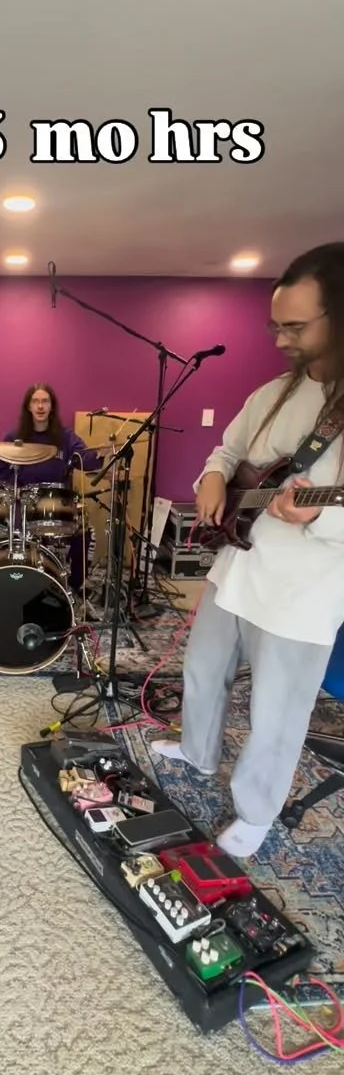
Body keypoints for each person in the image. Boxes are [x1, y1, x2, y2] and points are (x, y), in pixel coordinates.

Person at [151, 242, 344, 858]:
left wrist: (320, 515)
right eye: (275, 325)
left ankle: (257, 811)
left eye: (296, 326)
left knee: (276, 710)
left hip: (301, 595)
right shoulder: (273, 393)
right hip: (237, 568)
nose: (281, 339)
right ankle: (198, 751)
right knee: (202, 669)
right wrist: (213, 477)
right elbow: (227, 453)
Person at [0, 383, 103, 594]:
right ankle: (25, 581)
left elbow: (85, 459)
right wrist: (15, 492)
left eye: (45, 401)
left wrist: (102, 456)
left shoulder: (65, 438)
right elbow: (4, 474)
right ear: (28, 406)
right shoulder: (14, 439)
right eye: (35, 401)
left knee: (84, 531)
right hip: (24, 504)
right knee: (17, 533)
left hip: (58, 504)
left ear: (51, 406)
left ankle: (74, 585)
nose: (40, 406)